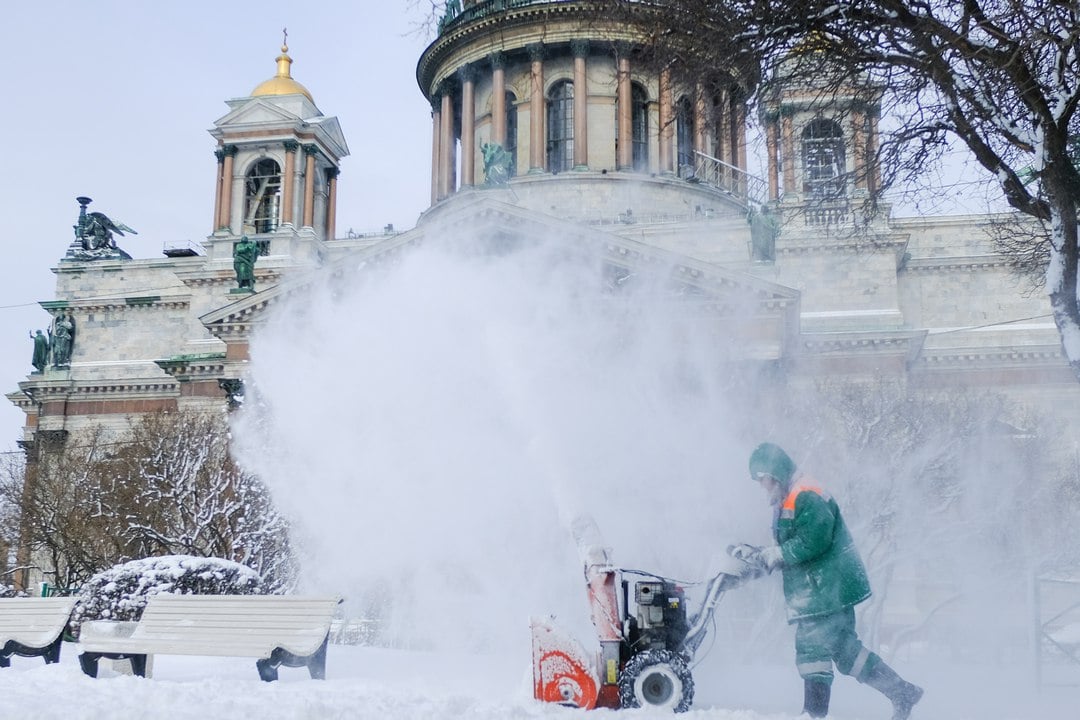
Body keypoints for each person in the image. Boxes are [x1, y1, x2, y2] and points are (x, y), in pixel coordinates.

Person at [730, 442, 923, 719]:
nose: (763, 487)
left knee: (811, 649)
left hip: (824, 588)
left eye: (764, 480)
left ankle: (814, 714)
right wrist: (757, 560)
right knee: (846, 652)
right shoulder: (788, 498)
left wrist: (775, 554)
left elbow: (813, 541)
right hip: (821, 588)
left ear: (776, 474)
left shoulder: (806, 495)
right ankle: (902, 692)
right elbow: (786, 549)